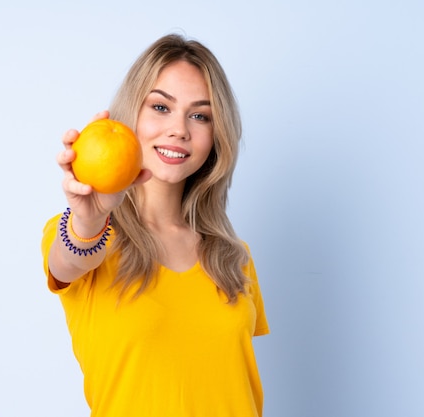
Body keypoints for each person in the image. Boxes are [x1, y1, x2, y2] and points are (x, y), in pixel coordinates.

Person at [41, 33, 269, 417]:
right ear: (132, 114)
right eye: (161, 107)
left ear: (216, 136)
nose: (179, 129)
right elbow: (68, 260)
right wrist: (90, 218)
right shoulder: (85, 233)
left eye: (200, 115)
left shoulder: (234, 256)